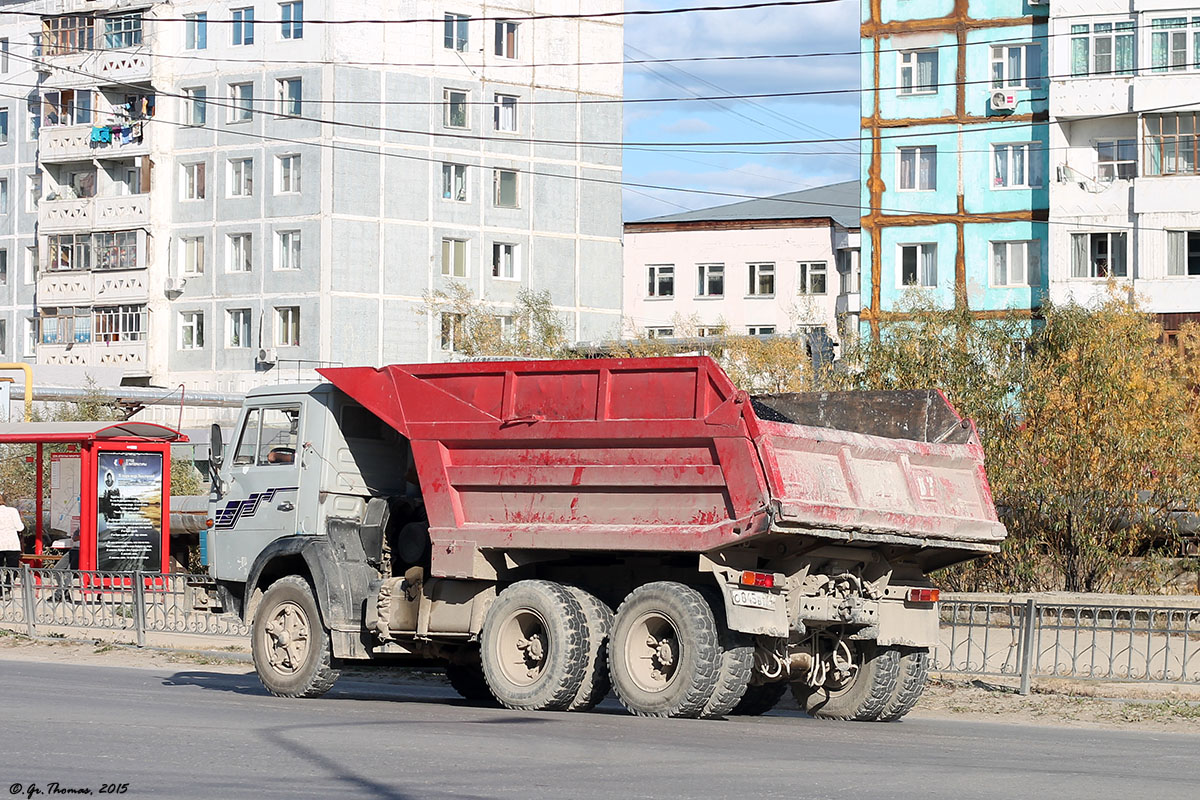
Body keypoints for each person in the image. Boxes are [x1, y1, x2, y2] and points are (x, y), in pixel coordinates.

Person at [0, 492, 26, 599]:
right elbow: (20, 527)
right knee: (12, 567)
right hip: (12, 544)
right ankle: (7, 587)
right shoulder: (12, 511)